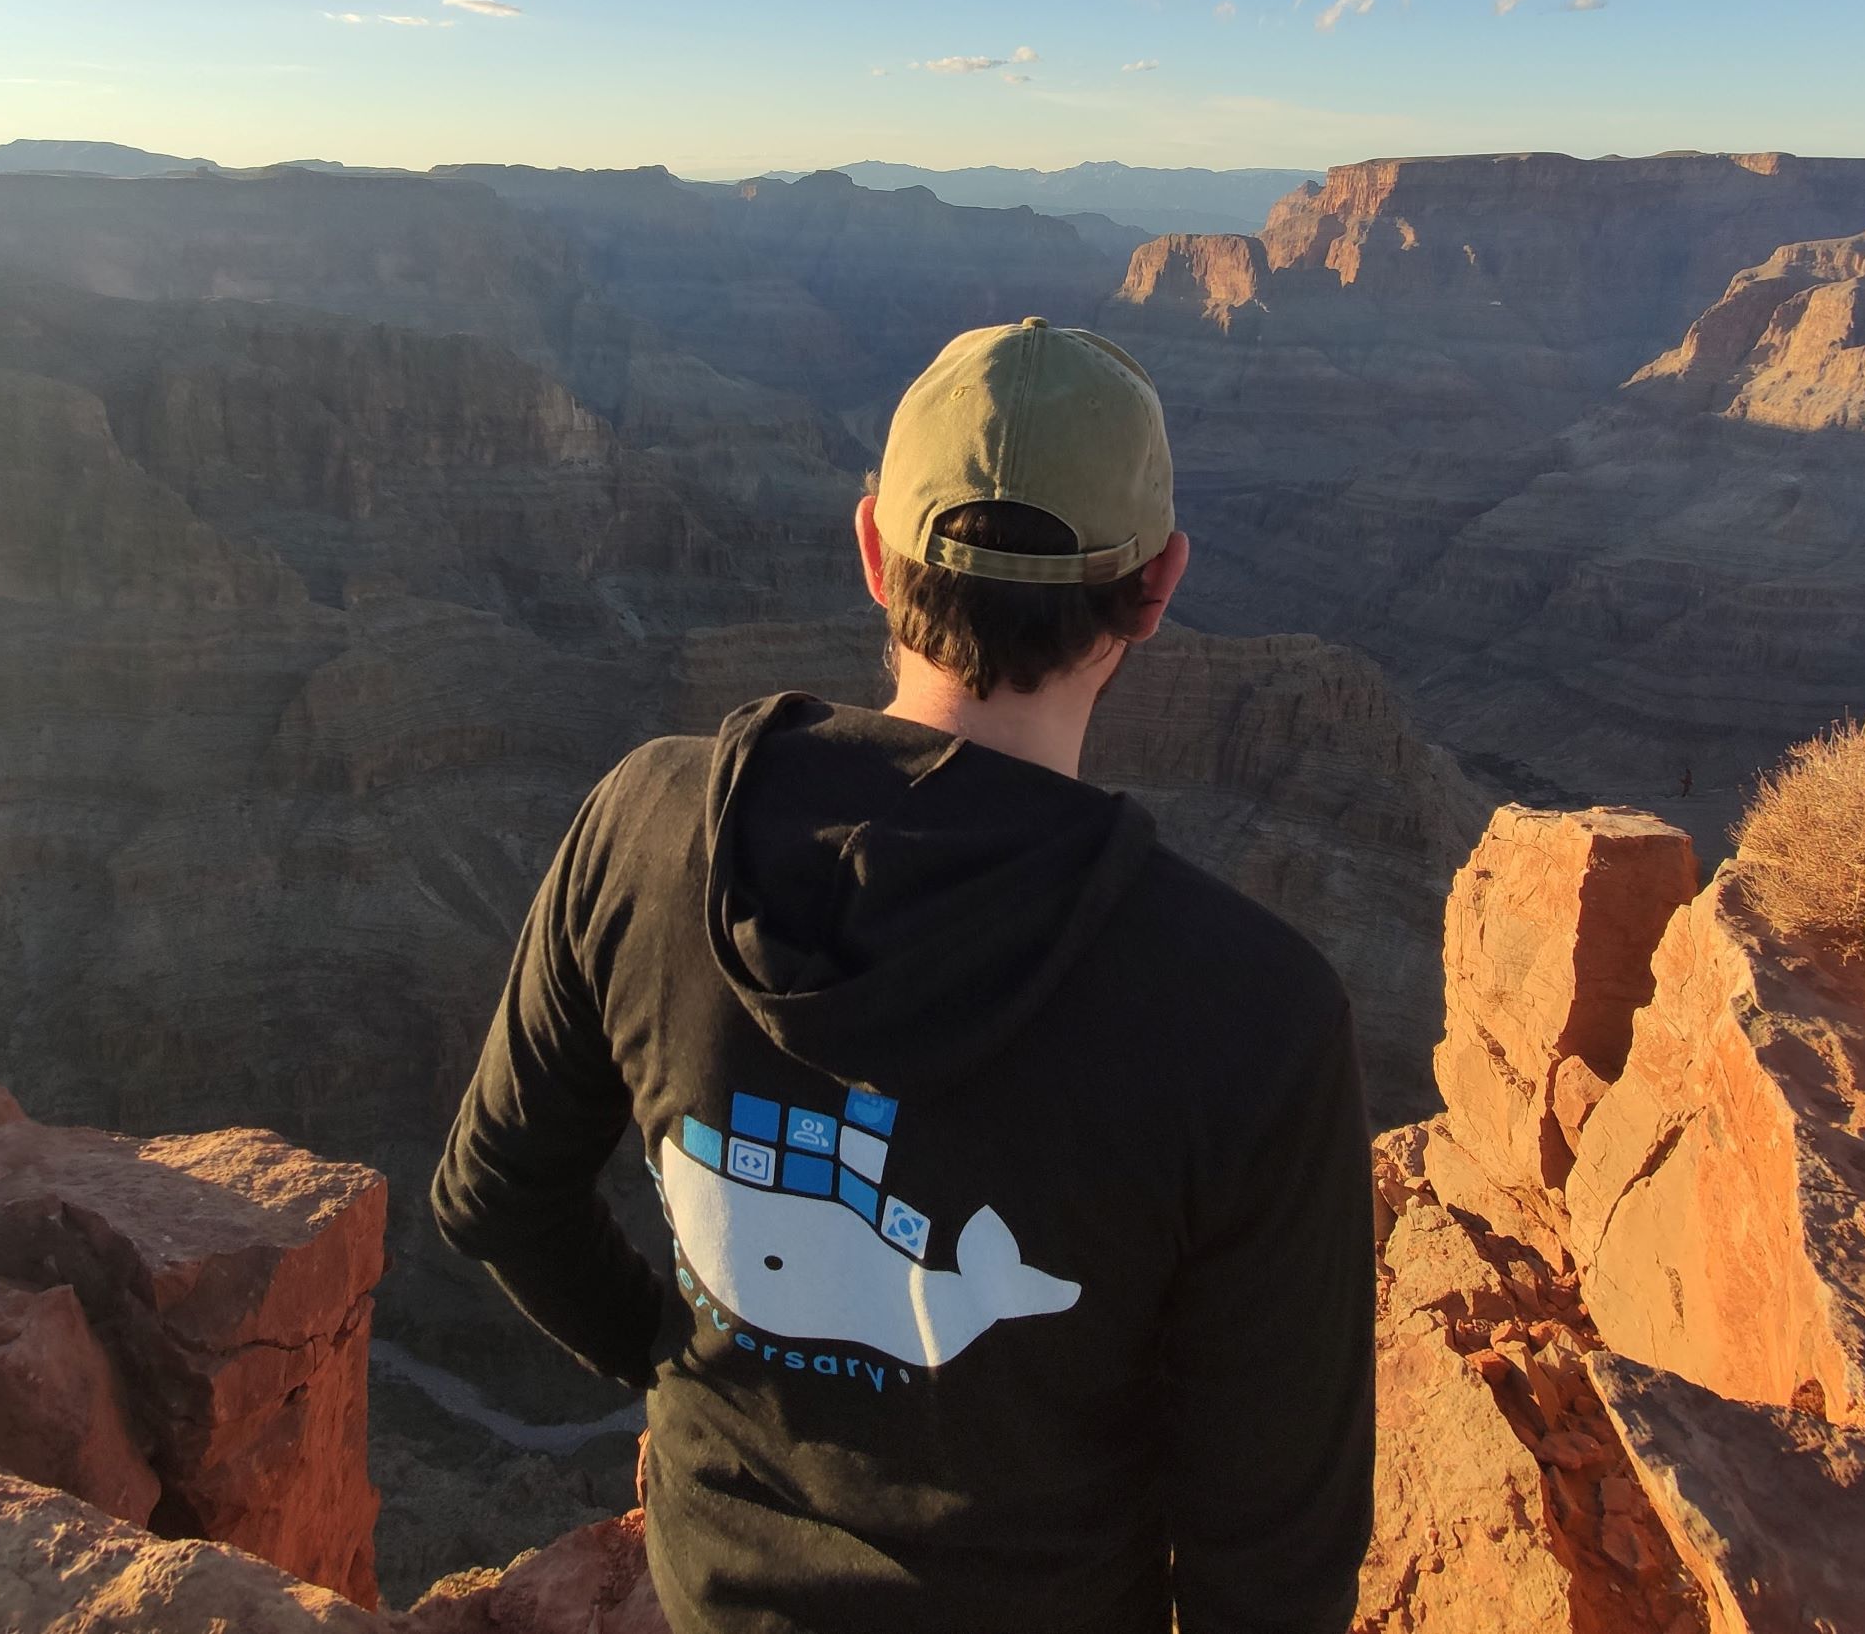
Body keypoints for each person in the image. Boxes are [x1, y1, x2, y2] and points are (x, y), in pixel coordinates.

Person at [431, 318, 1374, 1634]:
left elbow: (492, 1194)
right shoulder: (1251, 1014)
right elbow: (1271, 1561)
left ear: (873, 549)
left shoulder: (642, 823)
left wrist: (677, 1361)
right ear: (1155, 590)